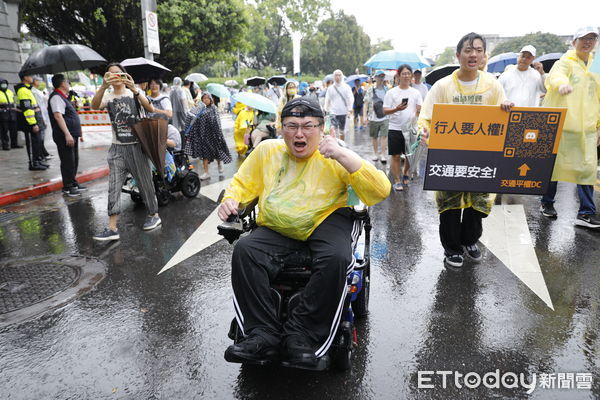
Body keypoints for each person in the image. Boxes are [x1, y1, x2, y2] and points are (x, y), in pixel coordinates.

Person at [219, 97, 390, 367]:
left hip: (325, 217)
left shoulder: (335, 153)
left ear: (322, 129)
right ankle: (262, 334)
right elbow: (242, 185)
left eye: (308, 126)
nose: (299, 133)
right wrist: (231, 200)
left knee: (337, 258)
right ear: (281, 127)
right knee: (245, 251)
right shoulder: (267, 151)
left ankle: (303, 334)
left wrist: (344, 155)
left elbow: (380, 190)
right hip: (279, 223)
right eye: (291, 126)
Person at [419, 32, 512, 269]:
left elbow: (504, 116)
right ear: (458, 55)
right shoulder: (443, 86)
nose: (473, 55)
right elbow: (426, 118)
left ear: (483, 55)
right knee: (450, 204)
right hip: (449, 155)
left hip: (483, 156)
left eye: (478, 50)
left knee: (477, 203)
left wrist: (506, 108)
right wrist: (425, 132)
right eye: (468, 50)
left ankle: (470, 240)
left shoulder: (492, 84)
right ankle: (452, 248)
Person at [90, 62, 161, 241]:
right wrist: (102, 87)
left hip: (137, 146)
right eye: (111, 75)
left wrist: (135, 89)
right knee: (114, 185)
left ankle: (154, 214)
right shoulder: (108, 96)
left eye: (118, 74)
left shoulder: (134, 92)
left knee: (145, 183)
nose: (115, 78)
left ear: (125, 75)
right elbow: (94, 106)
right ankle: (112, 227)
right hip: (117, 148)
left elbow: (150, 108)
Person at [539, 27, 600, 228]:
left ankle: (586, 213)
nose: (588, 42)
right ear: (574, 42)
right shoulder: (564, 62)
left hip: (587, 129)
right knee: (554, 168)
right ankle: (547, 203)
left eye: (592, 38)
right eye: (583, 39)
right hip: (563, 127)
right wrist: (561, 84)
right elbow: (554, 77)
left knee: (587, 169)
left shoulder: (596, 66)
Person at [383, 64, 423, 191]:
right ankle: (397, 180)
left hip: (411, 129)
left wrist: (418, 112)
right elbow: (385, 110)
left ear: (411, 76)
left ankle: (406, 173)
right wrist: (396, 108)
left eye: (408, 73)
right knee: (395, 155)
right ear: (398, 76)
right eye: (403, 73)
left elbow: (420, 109)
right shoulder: (391, 93)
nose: (406, 76)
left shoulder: (416, 93)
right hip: (394, 128)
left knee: (409, 155)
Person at [48, 74, 83, 197]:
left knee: (74, 160)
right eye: (68, 82)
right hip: (64, 135)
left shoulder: (63, 97)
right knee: (68, 161)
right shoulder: (56, 97)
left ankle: (73, 182)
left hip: (72, 134)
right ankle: (67, 187)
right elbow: (58, 116)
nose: (69, 84)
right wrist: (67, 134)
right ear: (62, 83)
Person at [184, 92, 231, 180]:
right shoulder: (200, 108)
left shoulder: (213, 108)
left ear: (210, 99)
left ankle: (219, 164)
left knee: (216, 151)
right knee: (205, 154)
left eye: (207, 98)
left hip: (213, 135)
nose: (205, 100)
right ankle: (206, 172)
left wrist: (218, 135)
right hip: (203, 135)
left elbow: (216, 121)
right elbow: (192, 117)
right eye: (203, 98)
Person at [15, 72, 46, 170]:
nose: (32, 78)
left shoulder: (27, 89)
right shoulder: (23, 90)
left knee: (36, 141)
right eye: (30, 76)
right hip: (29, 122)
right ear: (25, 78)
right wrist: (33, 123)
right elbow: (27, 109)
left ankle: (37, 161)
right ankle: (33, 163)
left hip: (33, 119)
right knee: (32, 142)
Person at [364, 70, 389, 163]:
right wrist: (364, 116)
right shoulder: (370, 90)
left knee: (384, 136)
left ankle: (382, 154)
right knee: (374, 136)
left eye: (382, 76)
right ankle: (375, 153)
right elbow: (365, 103)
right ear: (375, 78)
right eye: (379, 76)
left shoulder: (387, 90)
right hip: (373, 116)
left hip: (385, 117)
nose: (381, 78)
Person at [324, 70, 353, 140]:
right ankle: (334, 145)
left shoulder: (346, 87)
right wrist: (326, 110)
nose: (338, 77)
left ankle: (341, 144)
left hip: (343, 112)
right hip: (333, 112)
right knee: (333, 130)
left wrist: (350, 109)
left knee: (341, 131)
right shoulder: (330, 88)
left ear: (342, 76)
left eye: (339, 75)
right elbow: (327, 99)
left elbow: (350, 99)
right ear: (333, 77)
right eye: (336, 75)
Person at [31, 76, 51, 160]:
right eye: (38, 81)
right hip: (40, 116)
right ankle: (41, 154)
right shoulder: (34, 92)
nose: (39, 83)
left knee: (42, 136)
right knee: (40, 137)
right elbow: (40, 107)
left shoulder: (37, 91)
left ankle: (43, 153)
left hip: (42, 115)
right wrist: (44, 119)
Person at [0, 78, 20, 150]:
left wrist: (18, 107)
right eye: (2, 83)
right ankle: (5, 145)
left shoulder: (10, 92)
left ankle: (14, 144)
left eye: (5, 83)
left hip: (12, 114)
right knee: (4, 131)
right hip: (3, 115)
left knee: (14, 130)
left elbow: (16, 100)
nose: (4, 85)